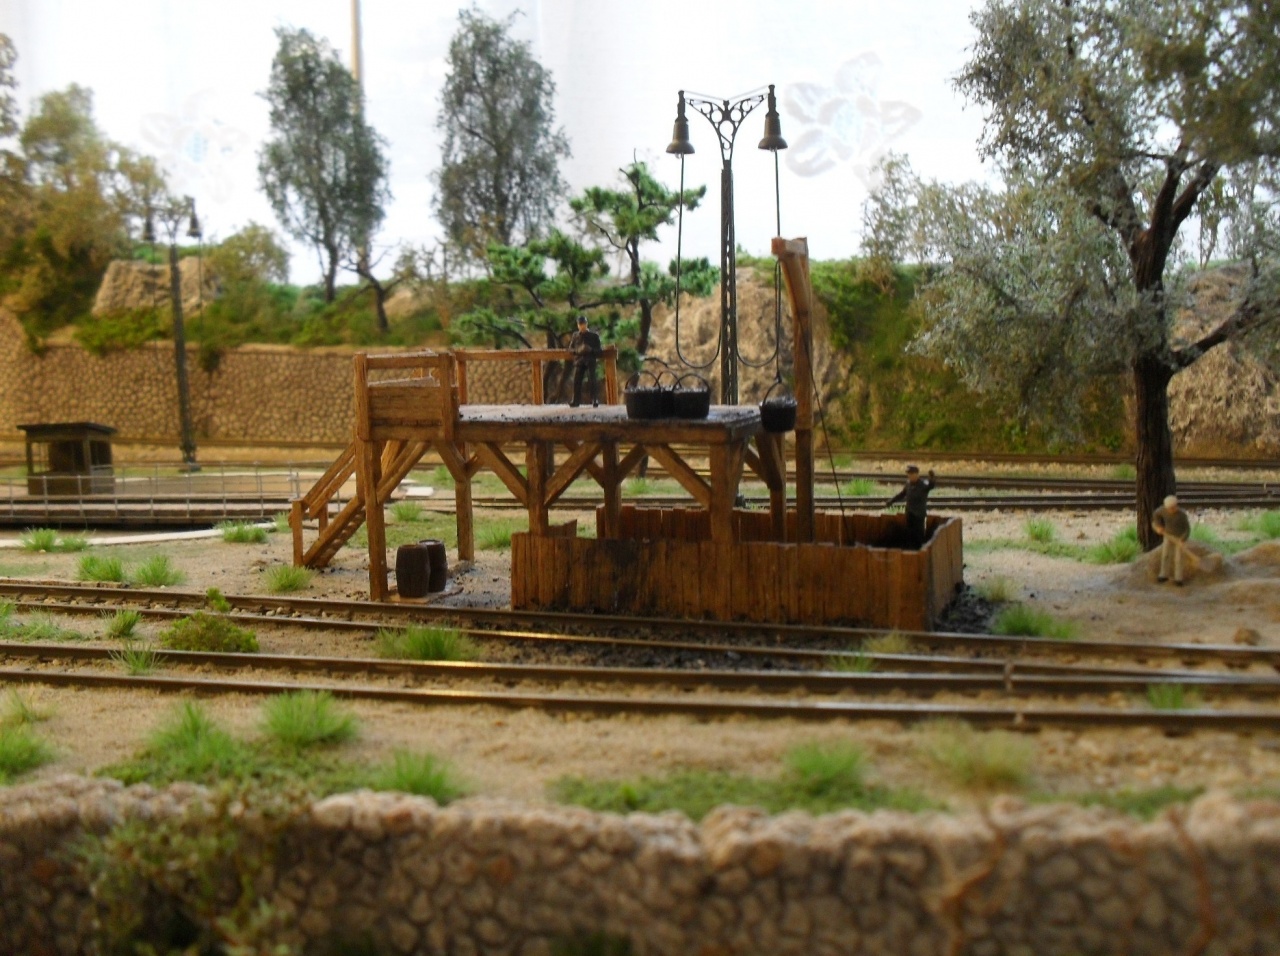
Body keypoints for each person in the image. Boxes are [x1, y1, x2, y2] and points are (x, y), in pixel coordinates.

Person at [886, 465, 936, 549]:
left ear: (916, 474)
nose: (909, 476)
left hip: (919, 515)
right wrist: (892, 501)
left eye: (911, 474)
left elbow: (931, 486)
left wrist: (932, 478)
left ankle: (919, 550)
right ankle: (910, 550)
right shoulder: (908, 484)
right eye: (908, 474)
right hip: (909, 514)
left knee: (918, 535)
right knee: (909, 534)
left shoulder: (923, 484)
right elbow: (902, 494)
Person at [1151, 493, 1192, 586]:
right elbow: (1156, 515)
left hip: (1179, 537)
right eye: (1169, 508)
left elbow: (1187, 529)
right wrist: (1158, 526)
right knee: (1165, 555)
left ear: (1176, 505)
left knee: (1178, 558)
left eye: (1173, 508)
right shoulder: (1162, 510)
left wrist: (1183, 539)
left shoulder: (1182, 515)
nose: (1171, 510)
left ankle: (1178, 578)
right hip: (1168, 535)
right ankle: (1163, 574)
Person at [568, 315, 602, 407]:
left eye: (583, 324)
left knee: (592, 380)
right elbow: (570, 349)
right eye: (580, 324)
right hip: (579, 360)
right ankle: (575, 400)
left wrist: (591, 350)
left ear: (586, 324)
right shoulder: (575, 336)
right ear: (578, 325)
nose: (582, 326)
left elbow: (599, 350)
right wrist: (578, 350)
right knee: (577, 381)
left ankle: (594, 399)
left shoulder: (594, 336)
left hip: (590, 360)